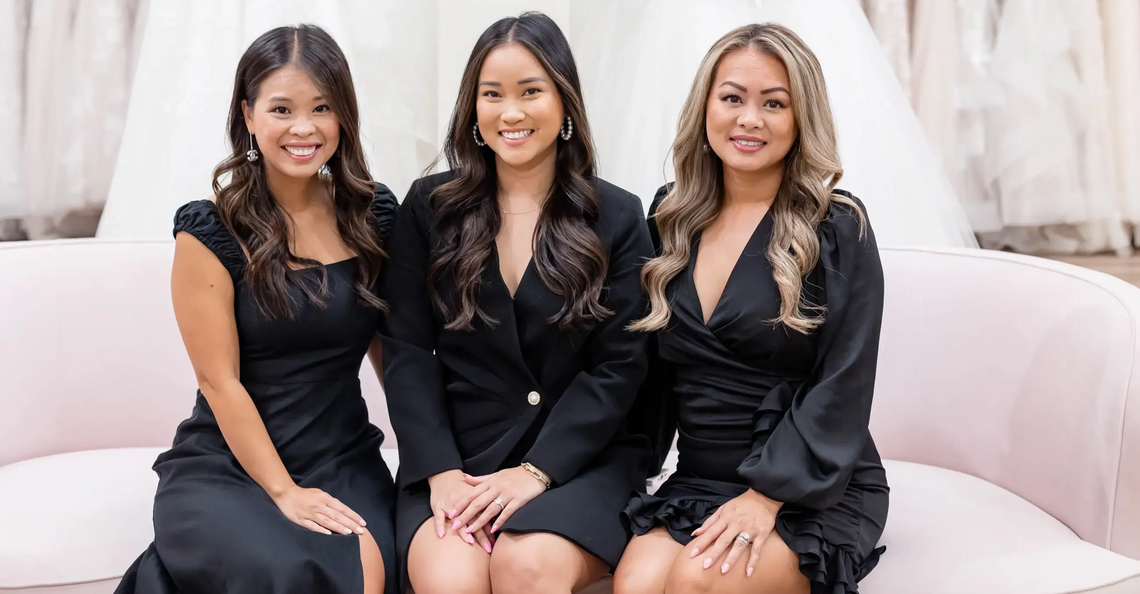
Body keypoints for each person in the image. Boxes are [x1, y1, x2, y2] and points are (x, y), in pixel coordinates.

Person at [115, 25, 398, 594]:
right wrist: (283, 491)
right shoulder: (209, 230)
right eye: (281, 109)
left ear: (344, 115)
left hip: (343, 454)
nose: (303, 127)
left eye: (322, 107)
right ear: (248, 115)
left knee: (373, 568)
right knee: (297, 571)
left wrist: (442, 461)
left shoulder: (373, 216)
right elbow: (218, 382)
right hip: (230, 462)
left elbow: (393, 356)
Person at [379, 11, 653, 594]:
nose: (511, 112)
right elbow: (407, 349)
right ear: (472, 107)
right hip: (458, 458)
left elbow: (620, 366)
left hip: (581, 460)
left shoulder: (619, 215)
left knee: (527, 566)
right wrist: (440, 470)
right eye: (492, 94)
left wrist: (538, 471)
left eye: (531, 91)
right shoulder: (428, 206)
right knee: (450, 578)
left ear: (564, 101)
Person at [616, 23, 889, 594]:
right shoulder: (670, 217)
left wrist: (766, 498)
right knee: (635, 584)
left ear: (801, 117)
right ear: (706, 107)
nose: (749, 119)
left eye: (774, 103)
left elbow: (844, 381)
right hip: (701, 476)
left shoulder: (838, 227)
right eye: (733, 98)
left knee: (697, 580)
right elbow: (647, 372)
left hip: (811, 480)